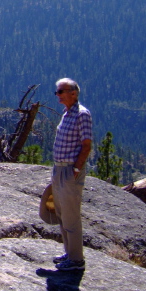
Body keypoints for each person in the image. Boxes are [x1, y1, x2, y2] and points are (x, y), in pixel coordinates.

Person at [51, 78, 92, 271]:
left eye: (60, 91)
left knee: (71, 215)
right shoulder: (67, 113)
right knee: (61, 213)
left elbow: (86, 145)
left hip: (69, 170)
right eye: (57, 91)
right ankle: (69, 252)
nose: (57, 95)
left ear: (73, 93)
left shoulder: (82, 115)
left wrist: (76, 169)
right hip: (59, 168)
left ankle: (76, 260)